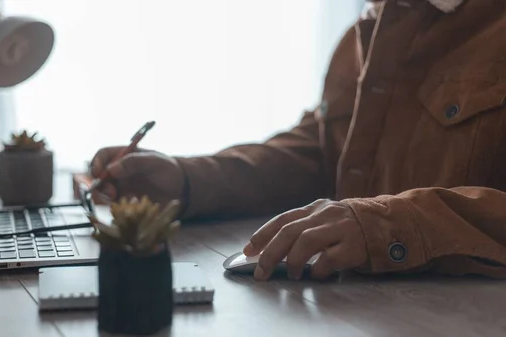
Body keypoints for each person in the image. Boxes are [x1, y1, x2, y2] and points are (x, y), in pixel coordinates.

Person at [90, 0, 506, 281]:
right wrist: (189, 180)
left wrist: (383, 224)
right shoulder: (376, 24)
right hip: (360, 311)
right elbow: (323, 150)